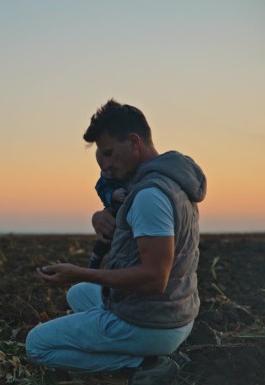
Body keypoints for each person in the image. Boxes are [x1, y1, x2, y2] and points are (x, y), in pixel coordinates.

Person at [25, 99, 206, 385]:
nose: (105, 166)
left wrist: (77, 271)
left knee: (37, 345)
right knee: (78, 294)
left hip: (153, 323)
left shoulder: (150, 195)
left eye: (108, 154)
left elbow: (153, 278)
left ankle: (140, 364)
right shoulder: (166, 180)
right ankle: (137, 348)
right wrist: (102, 215)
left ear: (134, 142)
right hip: (174, 313)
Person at [89, 150, 128, 269]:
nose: (109, 172)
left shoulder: (127, 175)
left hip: (122, 216)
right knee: (105, 239)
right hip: (113, 212)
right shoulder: (104, 182)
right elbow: (102, 191)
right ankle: (95, 259)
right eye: (104, 170)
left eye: (110, 168)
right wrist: (112, 195)